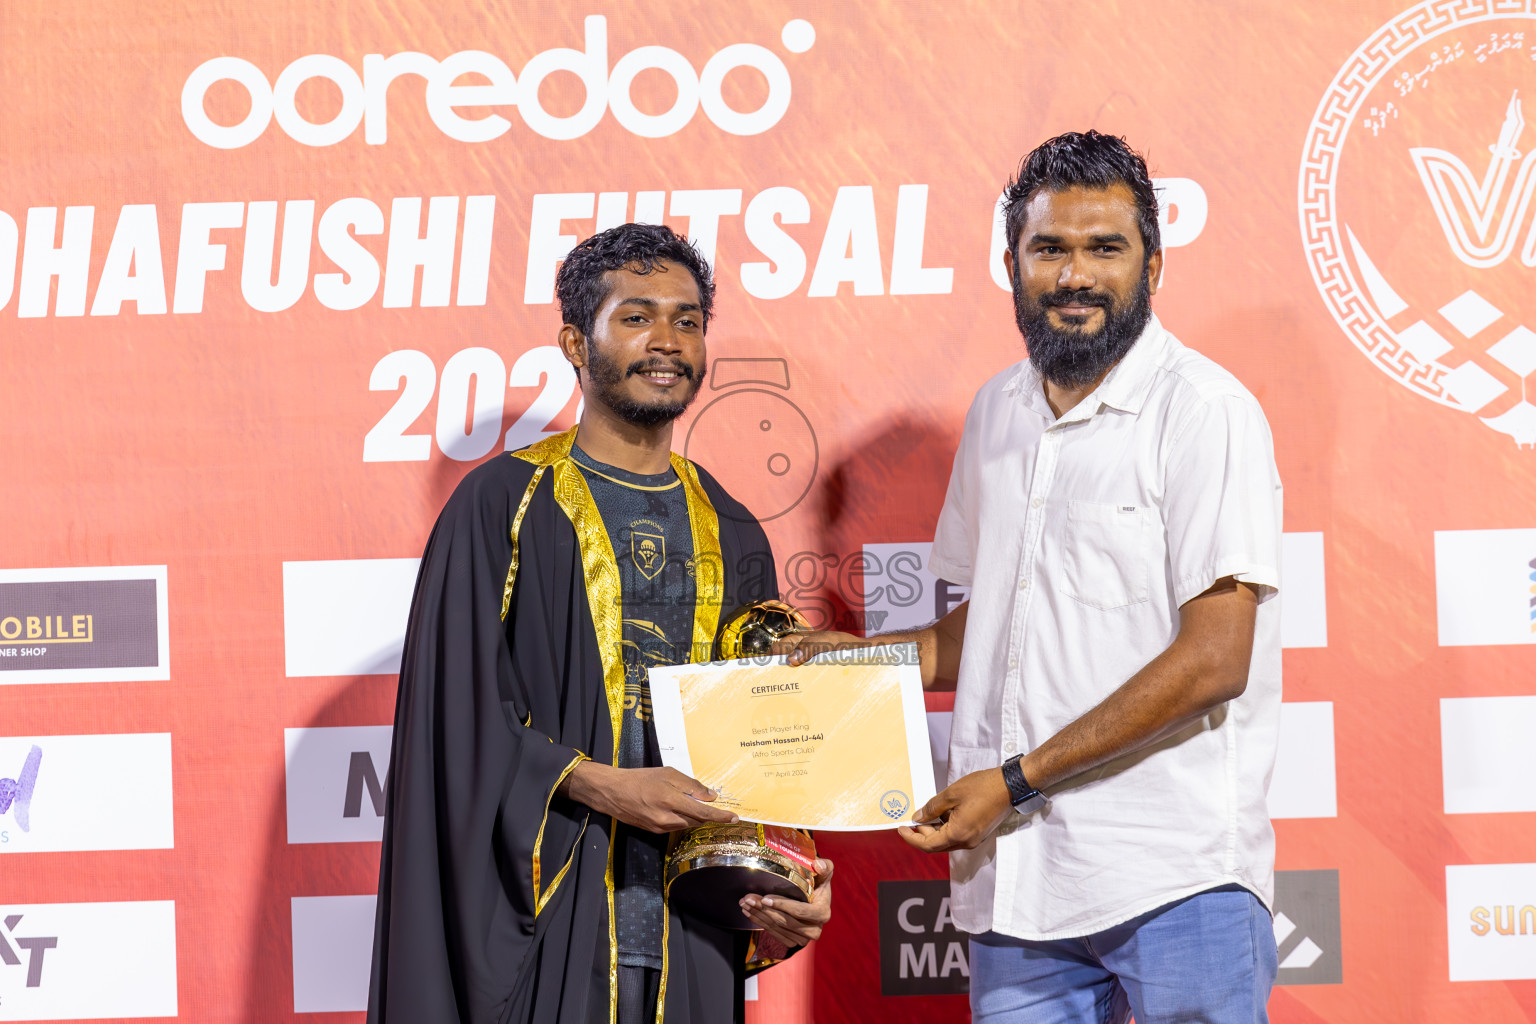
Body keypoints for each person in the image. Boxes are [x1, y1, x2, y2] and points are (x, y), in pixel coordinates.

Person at [781, 131, 1283, 1023]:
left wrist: (1016, 780)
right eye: (1050, 248)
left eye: (1105, 248)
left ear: (1154, 265)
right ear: (1013, 264)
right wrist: (852, 663)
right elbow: (989, 631)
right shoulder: (996, 411)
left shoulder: (1206, 412)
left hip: (1175, 874)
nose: (1075, 274)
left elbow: (1216, 659)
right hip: (1016, 889)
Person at [368, 223, 833, 1024]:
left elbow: (762, 739)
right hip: (549, 928)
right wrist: (603, 785)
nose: (667, 342)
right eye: (636, 317)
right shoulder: (503, 507)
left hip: (688, 935)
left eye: (688, 321)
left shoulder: (733, 527)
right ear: (576, 343)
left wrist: (788, 877)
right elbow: (455, 728)